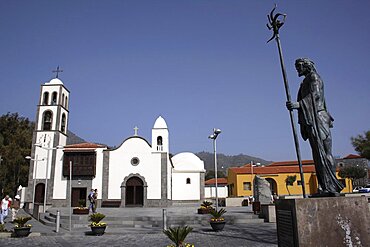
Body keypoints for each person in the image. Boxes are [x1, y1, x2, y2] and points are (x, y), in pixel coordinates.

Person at [286, 58, 344, 196]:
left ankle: (331, 186)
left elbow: (316, 95)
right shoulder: (305, 81)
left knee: (324, 152)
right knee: (318, 155)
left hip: (318, 118)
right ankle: (324, 187)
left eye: (299, 66)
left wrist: (298, 105)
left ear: (307, 66)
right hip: (311, 119)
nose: (297, 69)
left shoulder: (314, 77)